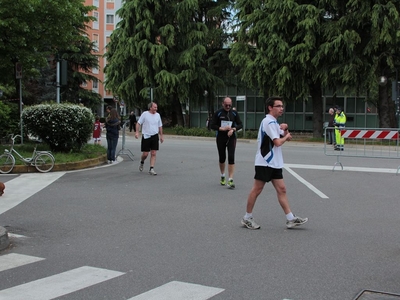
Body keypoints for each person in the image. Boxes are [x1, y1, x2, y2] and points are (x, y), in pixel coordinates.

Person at [241, 96, 308, 230]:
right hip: (265, 162)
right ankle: (247, 217)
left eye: (282, 106)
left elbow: (285, 138)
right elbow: (278, 142)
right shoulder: (268, 122)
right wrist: (286, 136)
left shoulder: (275, 123)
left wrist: (286, 129)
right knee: (257, 189)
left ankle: (290, 219)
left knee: (282, 189)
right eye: (278, 106)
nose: (281, 109)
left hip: (275, 163)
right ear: (270, 108)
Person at [210, 97, 243, 189]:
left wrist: (233, 129)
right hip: (221, 137)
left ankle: (231, 179)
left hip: (231, 137)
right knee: (222, 157)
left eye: (229, 105)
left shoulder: (234, 113)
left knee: (231, 157)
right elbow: (212, 125)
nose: (228, 107)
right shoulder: (218, 113)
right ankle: (222, 175)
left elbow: (240, 124)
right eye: (226, 105)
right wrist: (222, 129)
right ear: (222, 104)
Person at [135, 102, 164, 175]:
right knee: (145, 154)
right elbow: (138, 123)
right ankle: (142, 162)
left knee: (153, 153)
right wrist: (137, 132)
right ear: (150, 107)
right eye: (155, 107)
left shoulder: (158, 115)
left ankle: (151, 168)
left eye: (156, 107)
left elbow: (160, 126)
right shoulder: (145, 114)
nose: (156, 109)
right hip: (146, 135)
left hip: (154, 135)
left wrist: (161, 136)